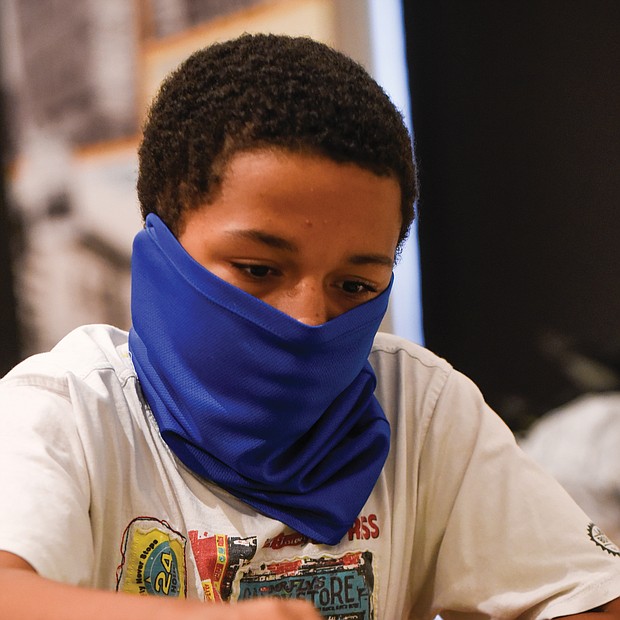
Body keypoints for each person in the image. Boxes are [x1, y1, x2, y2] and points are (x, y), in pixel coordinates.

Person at [0, 33, 619, 620]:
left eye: (354, 286)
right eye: (259, 268)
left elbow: (588, 597)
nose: (307, 319)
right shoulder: (70, 410)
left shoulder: (419, 407)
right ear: (161, 248)